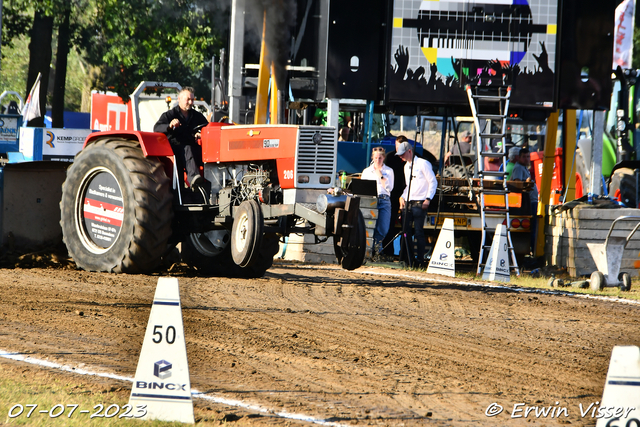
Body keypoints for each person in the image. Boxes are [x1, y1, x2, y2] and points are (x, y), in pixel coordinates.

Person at [154, 87, 209, 190]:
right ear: (179, 99)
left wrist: (201, 134)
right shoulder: (170, 115)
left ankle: (210, 185)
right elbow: (157, 128)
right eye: (187, 99)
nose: (190, 102)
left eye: (192, 100)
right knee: (186, 148)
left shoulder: (197, 116)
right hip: (175, 149)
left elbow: (206, 128)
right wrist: (170, 126)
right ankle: (193, 179)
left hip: (193, 148)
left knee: (205, 152)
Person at [397, 141, 438, 268]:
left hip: (420, 202)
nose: (401, 157)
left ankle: (420, 260)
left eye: (402, 154)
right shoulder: (406, 167)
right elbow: (409, 186)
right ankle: (409, 259)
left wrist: (428, 198)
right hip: (409, 201)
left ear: (410, 151)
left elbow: (433, 181)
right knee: (406, 231)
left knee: (419, 232)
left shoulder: (423, 163)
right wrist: (402, 197)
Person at [361, 146, 394, 257]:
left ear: (383, 158)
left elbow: (389, 188)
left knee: (383, 228)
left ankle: (376, 248)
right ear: (372, 158)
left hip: (384, 199)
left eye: (380, 158)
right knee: (369, 227)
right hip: (371, 200)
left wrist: (380, 175)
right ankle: (372, 251)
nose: (377, 160)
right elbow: (363, 187)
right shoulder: (367, 171)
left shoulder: (389, 171)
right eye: (375, 158)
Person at [511, 147, 539, 255]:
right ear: (519, 157)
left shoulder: (524, 168)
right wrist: (526, 183)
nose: (527, 159)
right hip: (527, 202)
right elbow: (517, 183)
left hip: (532, 201)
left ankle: (533, 250)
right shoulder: (518, 168)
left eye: (528, 157)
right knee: (531, 227)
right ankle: (531, 251)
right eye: (524, 157)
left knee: (534, 227)